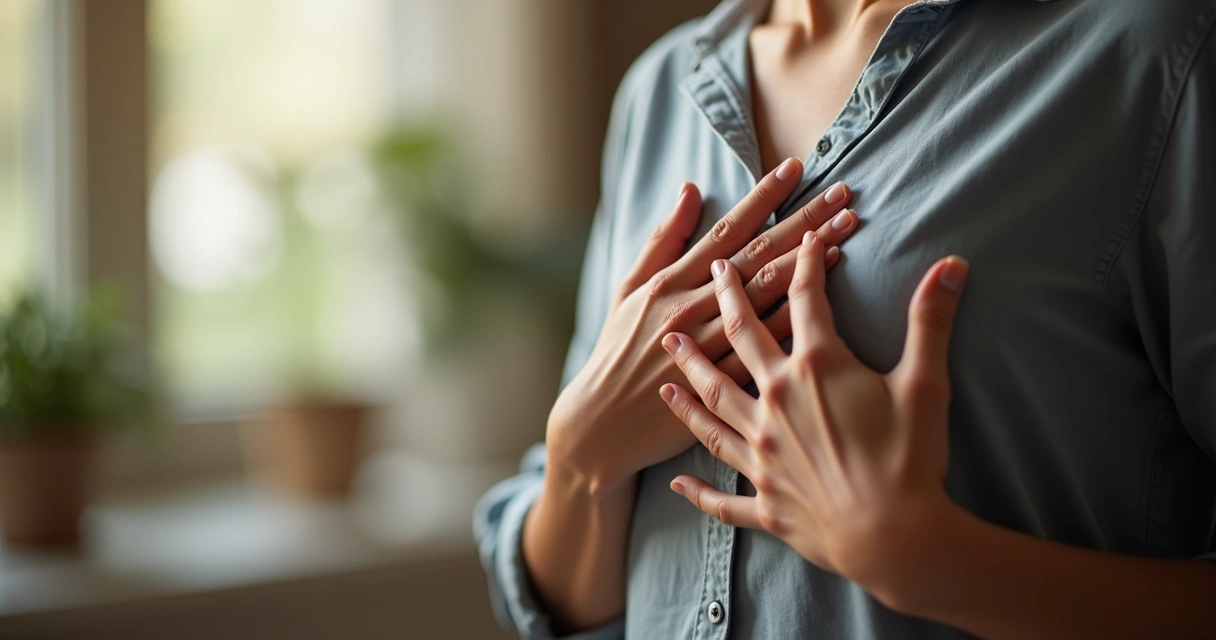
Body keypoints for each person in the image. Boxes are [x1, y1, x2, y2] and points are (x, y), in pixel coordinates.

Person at [475, 0, 1216, 637]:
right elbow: (572, 603)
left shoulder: (1156, 55)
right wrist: (578, 459)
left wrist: (939, 564)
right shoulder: (658, 91)